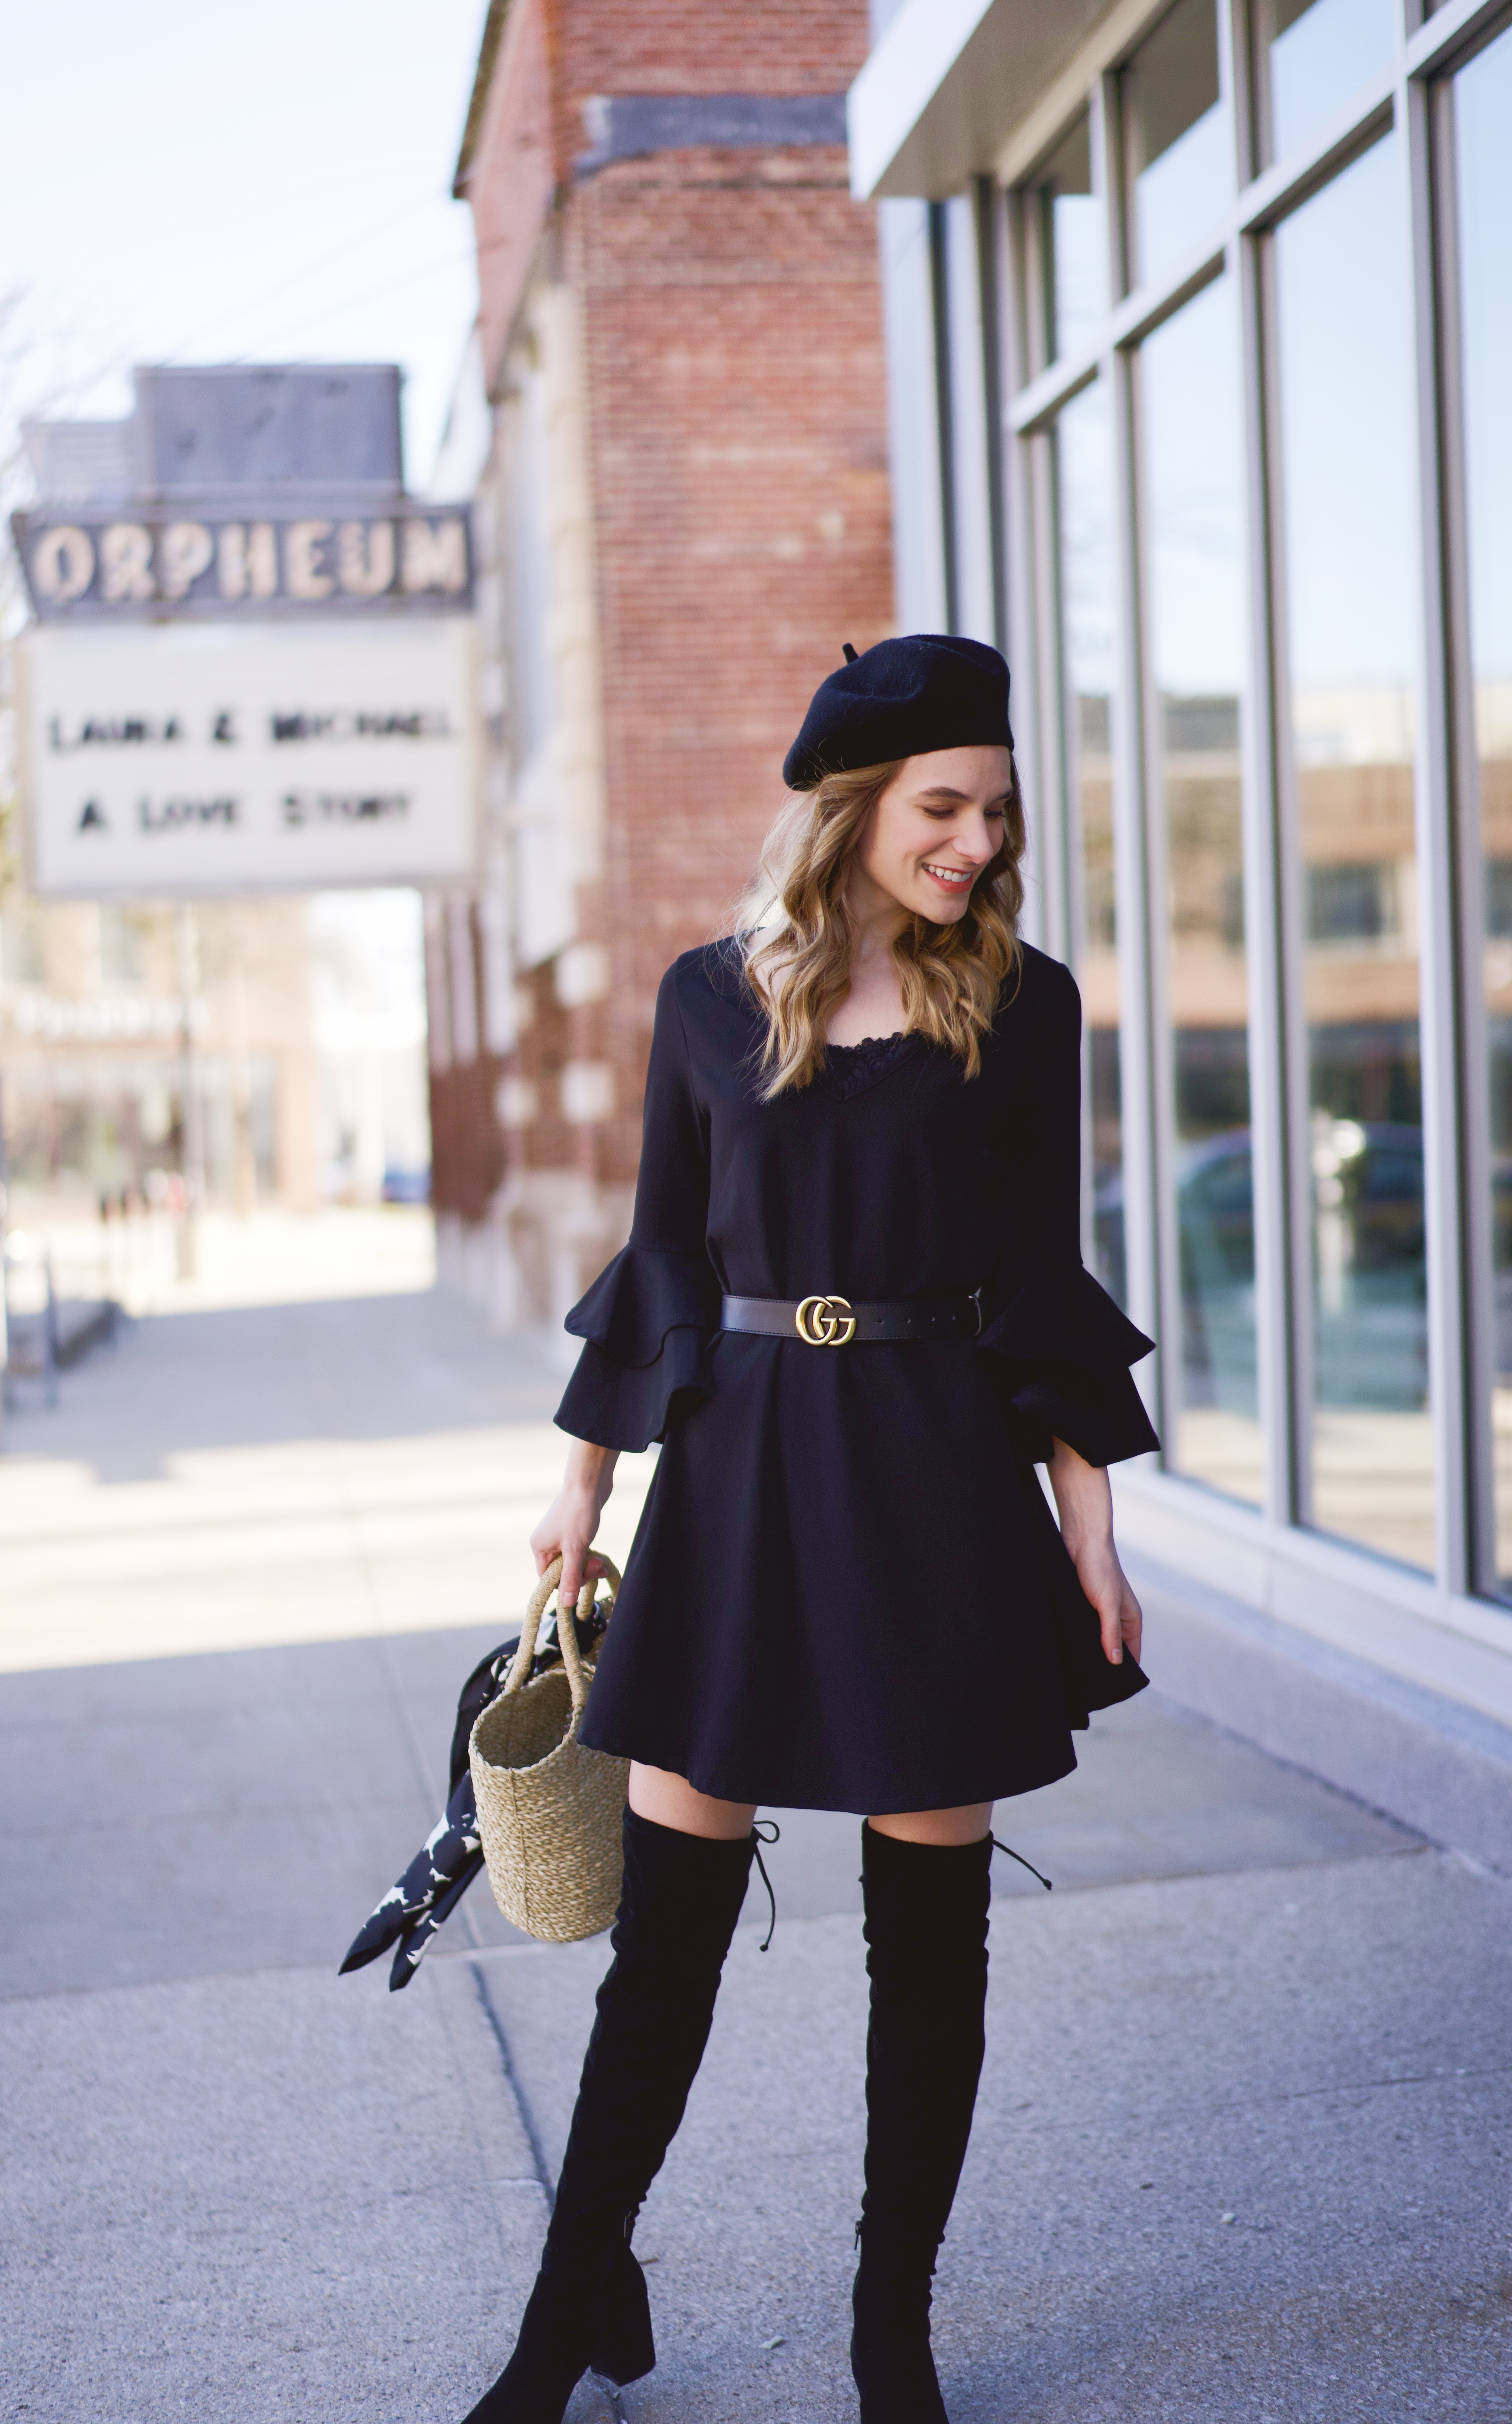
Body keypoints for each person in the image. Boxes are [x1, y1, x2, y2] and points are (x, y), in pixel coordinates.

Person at [465, 635, 1158, 2424]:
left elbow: (1036, 1285)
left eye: (994, 813)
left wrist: (1089, 1528)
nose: (976, 843)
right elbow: (663, 1257)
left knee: (928, 1948)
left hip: (936, 1482)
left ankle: (890, 2332)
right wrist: (578, 1488)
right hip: (744, 1479)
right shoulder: (710, 998)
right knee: (668, 1940)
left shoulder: (1027, 1004)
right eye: (943, 809)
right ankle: (564, 2320)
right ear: (852, 811)